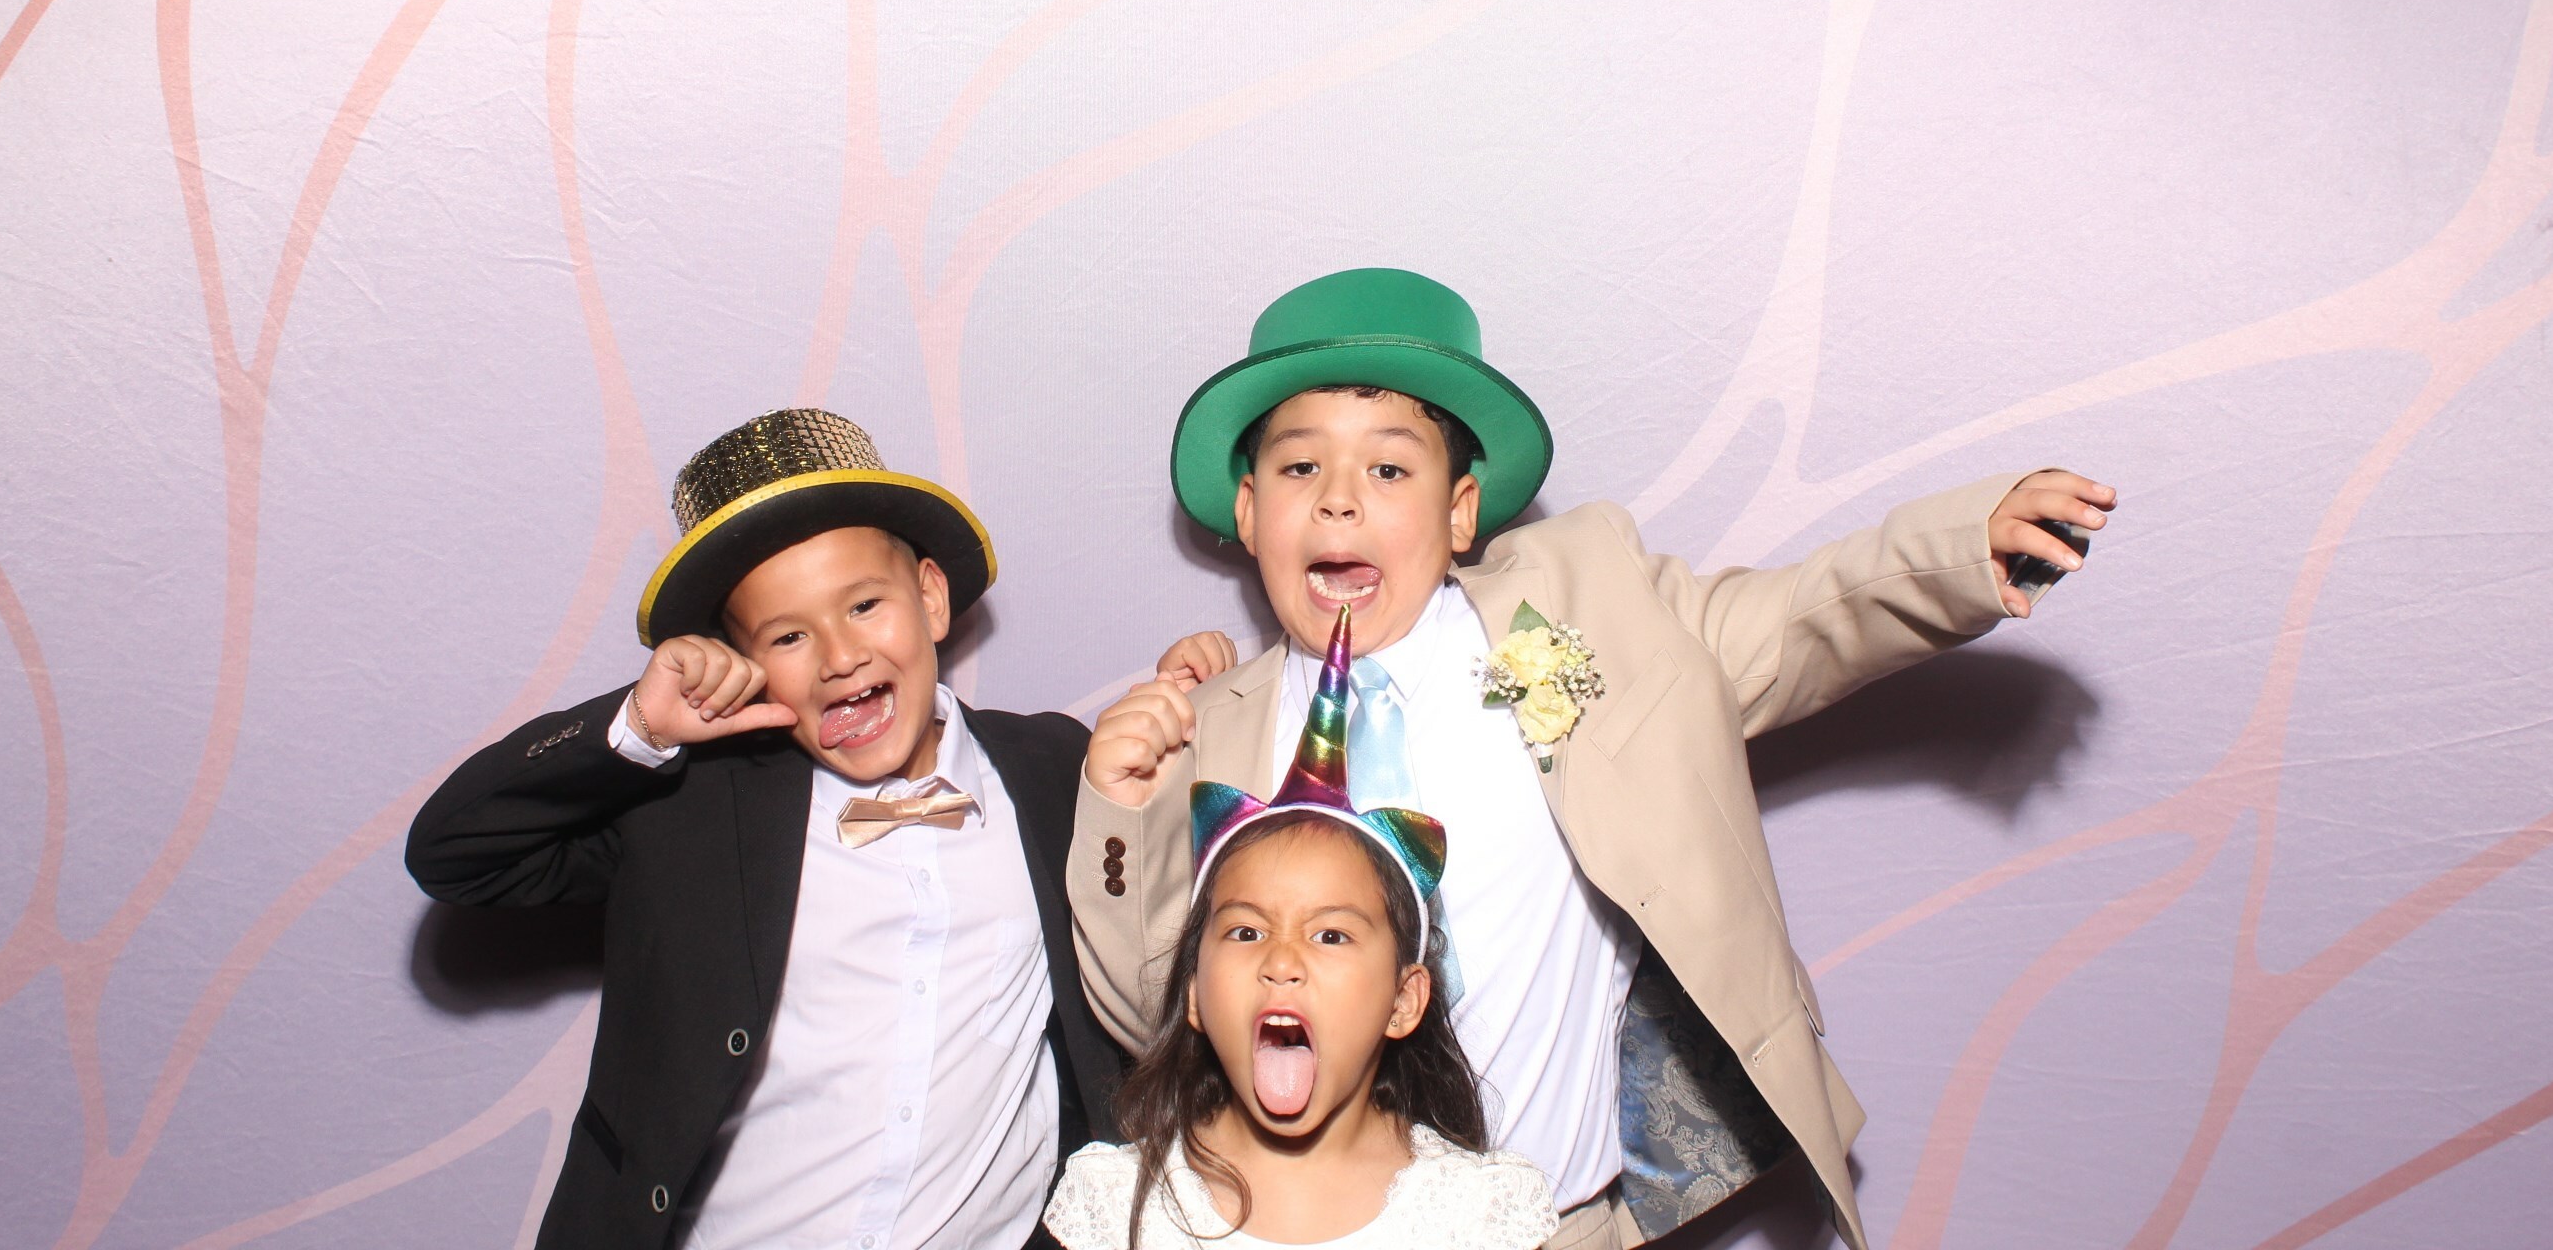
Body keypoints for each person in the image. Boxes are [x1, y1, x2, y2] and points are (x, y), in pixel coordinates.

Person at [1068, 269, 2116, 1250]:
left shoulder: (1580, 616)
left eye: (1389, 467)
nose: (1339, 499)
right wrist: (1119, 812)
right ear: (1250, 512)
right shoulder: (1204, 730)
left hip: (1555, 1225)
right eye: (1300, 466)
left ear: (1460, 511)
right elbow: (1159, 1015)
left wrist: (1954, 553)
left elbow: (1795, 621)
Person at [407, 408, 1123, 1249]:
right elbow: (455, 855)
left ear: (931, 597)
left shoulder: (1056, 768)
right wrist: (639, 727)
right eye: (788, 635)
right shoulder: (694, 807)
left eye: (864, 604)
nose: (840, 656)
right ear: (741, 663)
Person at [1044, 608, 1556, 1250]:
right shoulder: (1114, 1206)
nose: (1281, 962)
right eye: (1246, 932)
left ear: (1405, 1000)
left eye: (1331, 935)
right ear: (1194, 992)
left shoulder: (1482, 1213)